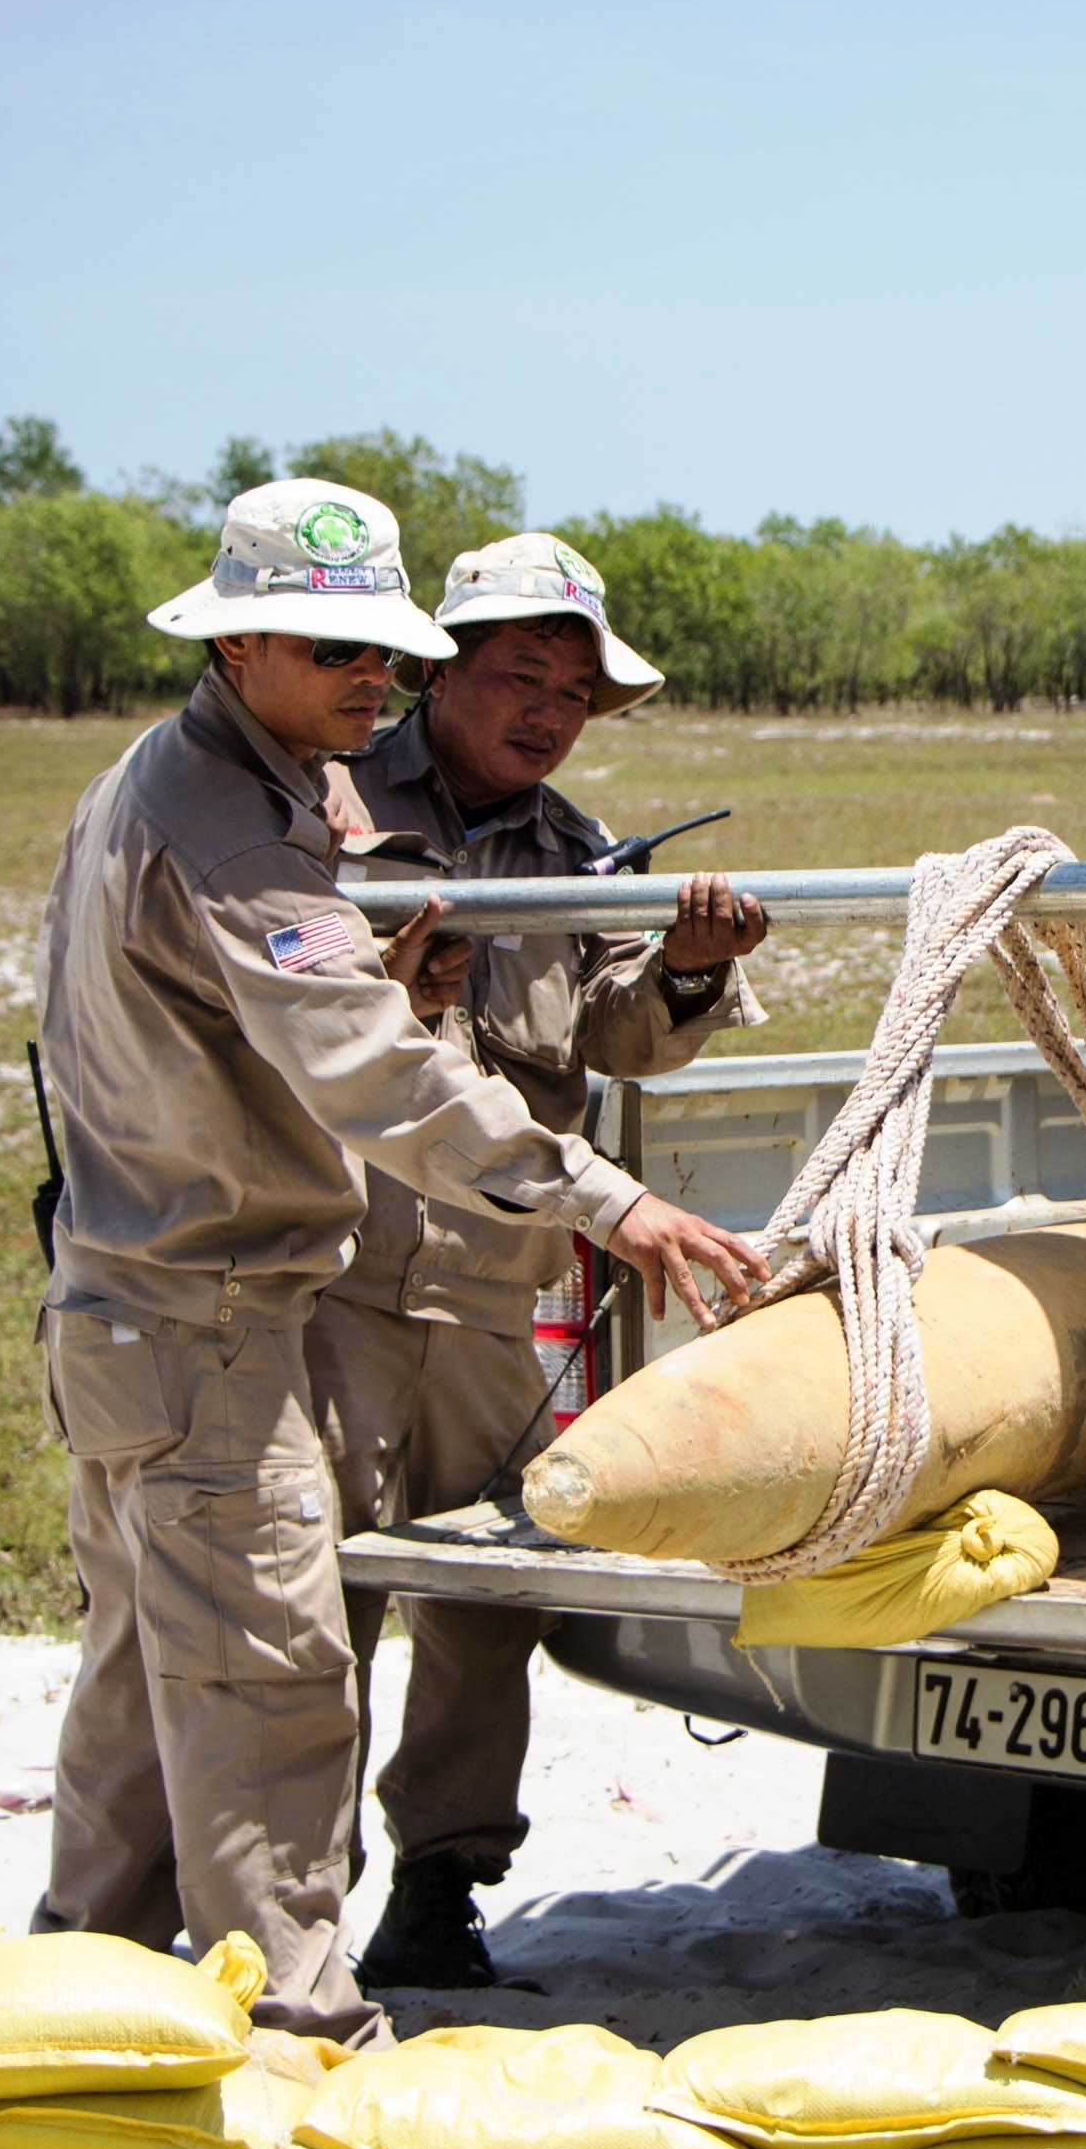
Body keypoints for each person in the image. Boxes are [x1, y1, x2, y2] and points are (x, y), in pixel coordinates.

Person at [27, 478, 765, 2039]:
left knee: (155, 1676)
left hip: (160, 1309)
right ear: (239, 649)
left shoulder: (183, 791)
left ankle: (73, 2004)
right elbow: (374, 1068)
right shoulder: (253, 826)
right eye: (336, 649)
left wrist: (665, 983)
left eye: (381, 649)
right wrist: (612, 1203)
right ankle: (295, 2026)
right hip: (239, 1311)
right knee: (279, 1669)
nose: (367, 678)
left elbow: (546, 1027)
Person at [313, 533, 769, 1990]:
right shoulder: (319, 812)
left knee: (482, 1598)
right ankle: (289, 1901)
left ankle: (441, 1882)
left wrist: (689, 965)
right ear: (438, 668)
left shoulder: (574, 853)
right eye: (523, 675)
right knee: (311, 1598)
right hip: (327, 1282)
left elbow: (610, 1041)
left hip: (494, 1288)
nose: (550, 710)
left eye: (575, 690)